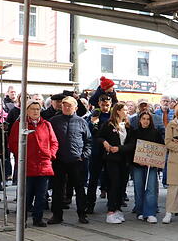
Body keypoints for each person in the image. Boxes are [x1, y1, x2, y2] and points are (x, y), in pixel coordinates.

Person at [8, 101, 57, 226]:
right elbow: (13, 143)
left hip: (43, 164)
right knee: (26, 194)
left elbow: (54, 142)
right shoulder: (20, 124)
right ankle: (22, 219)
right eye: (32, 109)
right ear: (27, 110)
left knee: (41, 195)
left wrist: (50, 154)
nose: (35, 111)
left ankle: (38, 218)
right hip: (27, 164)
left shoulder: (46, 124)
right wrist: (22, 156)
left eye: (37, 109)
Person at [48, 96, 92, 225]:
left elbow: (88, 141)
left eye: (69, 106)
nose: (66, 108)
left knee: (79, 188)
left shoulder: (81, 122)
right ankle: (56, 215)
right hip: (59, 160)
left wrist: (84, 155)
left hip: (77, 161)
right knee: (57, 189)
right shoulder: (54, 121)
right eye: (64, 105)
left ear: (75, 108)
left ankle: (82, 214)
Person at [98, 103, 134, 224]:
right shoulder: (108, 125)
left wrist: (120, 148)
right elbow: (99, 137)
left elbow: (132, 143)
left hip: (124, 159)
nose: (127, 112)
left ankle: (118, 208)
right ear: (118, 111)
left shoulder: (128, 126)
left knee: (122, 185)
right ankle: (111, 210)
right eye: (124, 110)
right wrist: (105, 143)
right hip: (112, 159)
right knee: (114, 183)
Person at [129, 109, 162, 223]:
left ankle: (150, 212)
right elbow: (130, 148)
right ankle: (140, 211)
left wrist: (155, 161)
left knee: (151, 188)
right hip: (137, 164)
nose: (146, 121)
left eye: (148, 119)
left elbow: (160, 148)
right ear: (139, 120)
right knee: (138, 188)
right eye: (143, 119)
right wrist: (137, 161)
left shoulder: (155, 132)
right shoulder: (134, 132)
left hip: (151, 166)